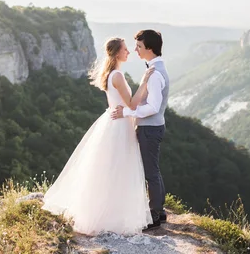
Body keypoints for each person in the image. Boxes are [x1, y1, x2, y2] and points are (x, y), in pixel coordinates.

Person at [42, 37, 154, 235]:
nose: (128, 52)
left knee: (112, 167)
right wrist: (145, 82)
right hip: (119, 125)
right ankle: (111, 216)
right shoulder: (118, 75)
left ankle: (110, 212)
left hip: (115, 121)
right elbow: (132, 105)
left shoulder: (112, 73)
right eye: (125, 49)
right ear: (117, 53)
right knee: (118, 167)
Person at [111, 29, 168, 230]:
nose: (136, 50)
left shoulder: (154, 74)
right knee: (154, 170)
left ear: (150, 48)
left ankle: (155, 215)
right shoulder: (155, 69)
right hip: (153, 127)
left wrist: (126, 113)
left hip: (150, 129)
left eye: (139, 46)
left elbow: (152, 107)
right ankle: (159, 211)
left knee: (150, 173)